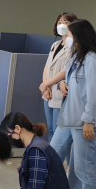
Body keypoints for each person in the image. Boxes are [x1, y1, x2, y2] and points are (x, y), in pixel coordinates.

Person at [39, 19, 96, 189]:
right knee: (52, 155)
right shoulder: (77, 57)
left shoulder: (94, 60)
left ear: (79, 36)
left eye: (68, 35)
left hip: (85, 122)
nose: (66, 38)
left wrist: (89, 120)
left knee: (82, 167)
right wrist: (61, 85)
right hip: (68, 118)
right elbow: (68, 81)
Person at [41, 12, 77, 143]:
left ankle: (57, 160)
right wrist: (45, 86)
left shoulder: (73, 47)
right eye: (60, 22)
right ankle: (51, 156)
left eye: (66, 23)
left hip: (60, 92)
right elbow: (47, 67)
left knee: (58, 131)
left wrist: (47, 84)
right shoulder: (55, 45)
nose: (62, 25)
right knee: (50, 129)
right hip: (48, 91)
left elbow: (64, 71)